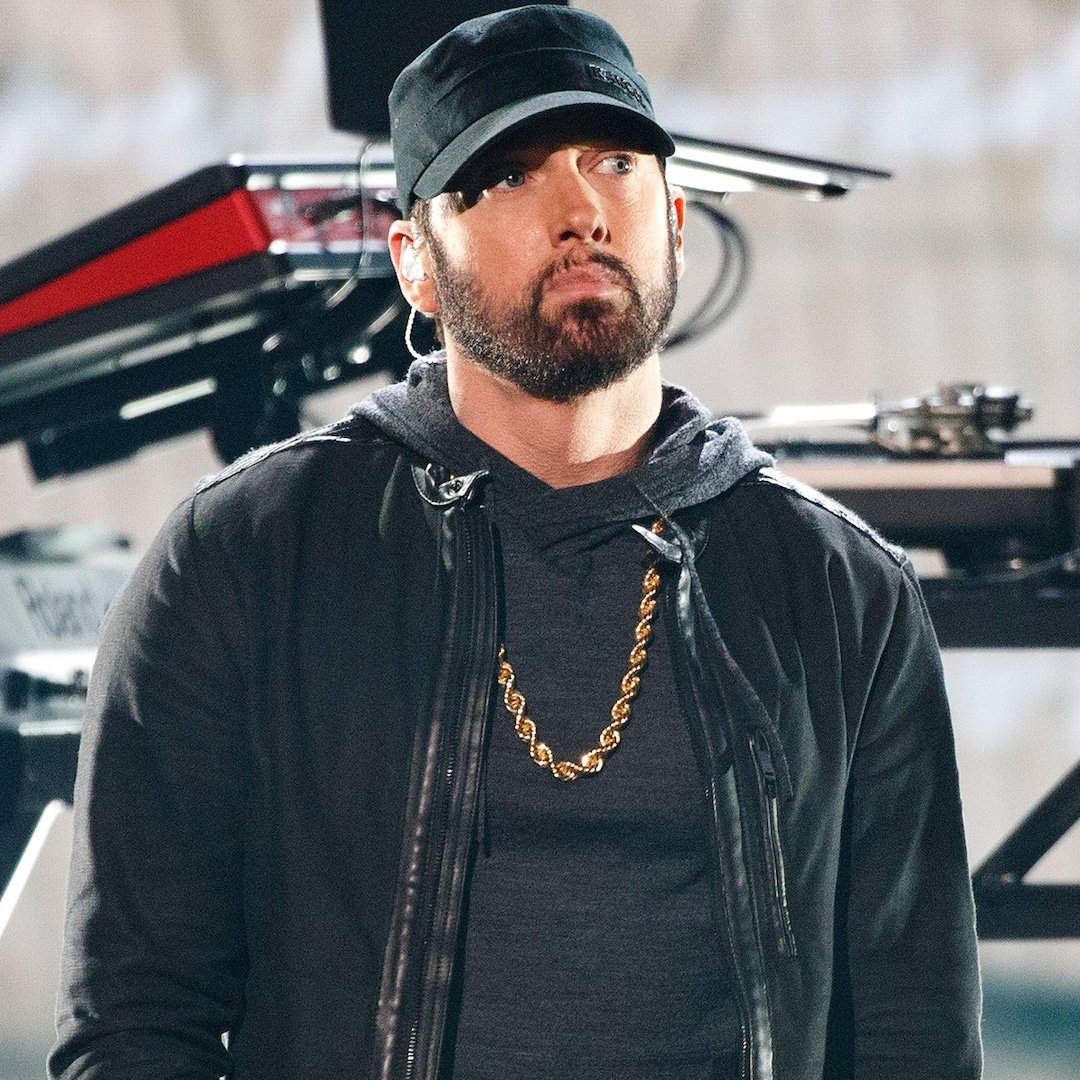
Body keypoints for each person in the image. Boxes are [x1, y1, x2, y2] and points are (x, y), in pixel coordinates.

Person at [49, 6, 982, 1079]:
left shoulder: (840, 587)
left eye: (613, 163)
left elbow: (918, 1037)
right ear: (415, 263)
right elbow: (134, 1023)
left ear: (676, 221)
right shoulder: (242, 560)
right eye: (507, 176)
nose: (580, 209)